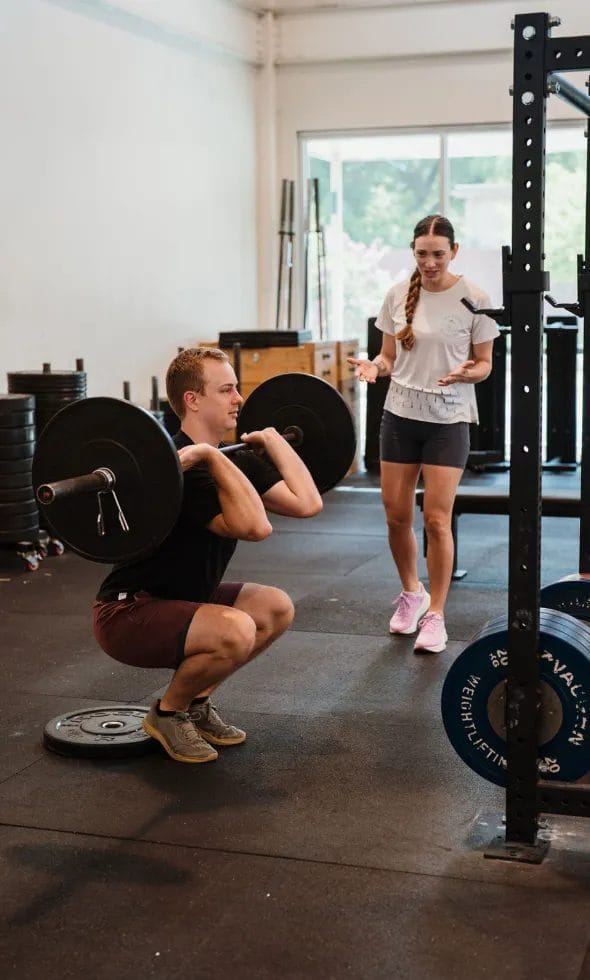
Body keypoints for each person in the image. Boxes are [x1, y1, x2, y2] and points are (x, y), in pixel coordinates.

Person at [93, 347, 322, 763]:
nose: (239, 398)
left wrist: (273, 441)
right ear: (192, 400)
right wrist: (210, 457)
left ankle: (195, 705)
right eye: (227, 389)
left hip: (183, 600)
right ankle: (168, 712)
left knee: (274, 608)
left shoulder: (225, 459)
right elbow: (257, 528)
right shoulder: (182, 467)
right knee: (236, 629)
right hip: (128, 613)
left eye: (237, 389)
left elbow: (307, 503)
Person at [349, 214, 499, 654]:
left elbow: (486, 363)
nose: (429, 262)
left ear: (454, 252)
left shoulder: (475, 298)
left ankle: (436, 613)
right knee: (396, 515)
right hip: (400, 415)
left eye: (438, 253)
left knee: (436, 518)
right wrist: (374, 367)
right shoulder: (398, 295)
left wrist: (468, 373)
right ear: (412, 252)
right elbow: (388, 356)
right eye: (421, 254)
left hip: (449, 419)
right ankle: (411, 593)